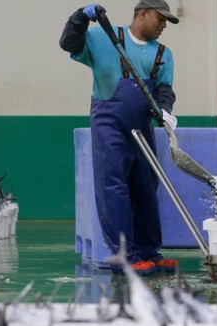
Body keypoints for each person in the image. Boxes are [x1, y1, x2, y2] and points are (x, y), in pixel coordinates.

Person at [60, 0, 180, 275]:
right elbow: (68, 42)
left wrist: (164, 110)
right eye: (160, 19)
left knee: (147, 187)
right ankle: (125, 255)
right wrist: (80, 17)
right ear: (142, 13)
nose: (163, 26)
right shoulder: (103, 37)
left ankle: (149, 251)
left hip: (142, 128)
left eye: (166, 22)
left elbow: (164, 89)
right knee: (115, 188)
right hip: (109, 125)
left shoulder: (163, 53)